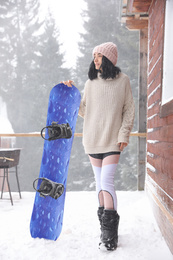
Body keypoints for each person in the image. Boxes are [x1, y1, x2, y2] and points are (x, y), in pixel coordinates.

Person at [62, 42, 135, 250]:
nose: (95, 59)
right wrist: (71, 92)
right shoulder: (90, 83)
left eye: (100, 55)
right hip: (92, 139)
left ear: (109, 58)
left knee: (106, 180)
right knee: (98, 182)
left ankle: (110, 235)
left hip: (112, 138)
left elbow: (129, 110)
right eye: (94, 55)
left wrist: (124, 134)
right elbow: (83, 110)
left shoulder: (123, 81)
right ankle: (106, 229)